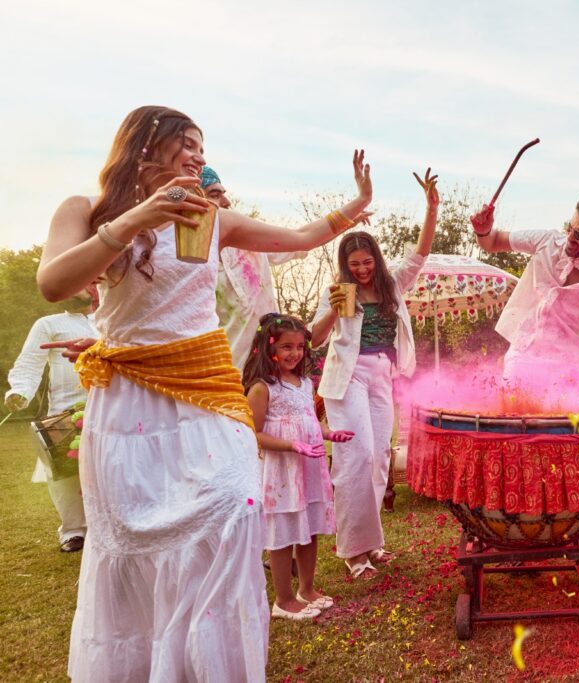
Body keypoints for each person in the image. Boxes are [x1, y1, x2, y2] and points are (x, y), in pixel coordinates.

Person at [36, 105, 373, 681]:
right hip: (130, 405)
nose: (198, 156)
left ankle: (208, 662)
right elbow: (52, 282)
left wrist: (357, 203)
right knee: (135, 540)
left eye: (201, 146)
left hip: (206, 395)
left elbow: (301, 237)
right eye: (187, 144)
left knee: (235, 506)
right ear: (144, 144)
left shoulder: (212, 221)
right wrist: (138, 218)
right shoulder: (83, 211)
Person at [312, 169, 438, 579]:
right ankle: (353, 553)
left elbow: (420, 253)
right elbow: (314, 338)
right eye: (354, 264)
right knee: (357, 456)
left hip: (382, 374)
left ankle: (373, 543)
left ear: (376, 261)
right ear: (344, 265)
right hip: (347, 377)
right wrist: (334, 309)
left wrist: (431, 208)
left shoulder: (392, 284)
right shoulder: (337, 290)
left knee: (380, 456)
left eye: (367, 262)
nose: (362, 269)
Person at [243, 313, 353, 620]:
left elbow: (310, 422)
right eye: (287, 347)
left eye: (300, 347)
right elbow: (253, 434)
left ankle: (307, 588)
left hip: (308, 468)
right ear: (269, 347)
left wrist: (329, 434)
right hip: (281, 473)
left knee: (310, 527)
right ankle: (284, 599)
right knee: (282, 533)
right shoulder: (262, 388)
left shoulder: (304, 384)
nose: (295, 353)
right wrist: (291, 445)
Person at [471, 197, 579, 381]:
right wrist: (483, 231)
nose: (569, 237)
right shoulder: (546, 241)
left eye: (578, 235)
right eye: (569, 227)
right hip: (521, 356)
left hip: (566, 369)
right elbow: (493, 242)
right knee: (511, 399)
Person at [5, 286, 97, 553]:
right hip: (64, 411)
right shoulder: (48, 324)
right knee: (65, 473)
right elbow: (29, 363)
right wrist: (20, 392)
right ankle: (73, 531)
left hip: (110, 406)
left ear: (94, 285)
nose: (71, 291)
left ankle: (108, 526)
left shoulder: (113, 317)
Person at [205, 166, 315, 368]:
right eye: (214, 195)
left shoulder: (251, 243)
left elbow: (301, 239)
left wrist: (349, 213)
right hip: (227, 373)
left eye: (223, 194)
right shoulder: (183, 264)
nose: (227, 202)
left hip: (272, 369)